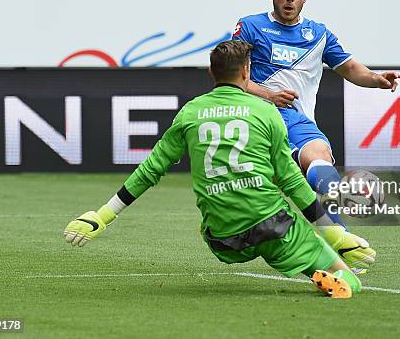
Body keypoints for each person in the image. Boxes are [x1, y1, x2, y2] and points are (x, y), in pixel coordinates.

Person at [64, 40, 370, 299]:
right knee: (342, 273)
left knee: (221, 212)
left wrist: (100, 216)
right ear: (247, 72)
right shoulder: (266, 111)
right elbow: (291, 181)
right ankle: (327, 269)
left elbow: (149, 171)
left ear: (211, 72)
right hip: (272, 227)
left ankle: (306, 260)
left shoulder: (190, 113)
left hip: (221, 237)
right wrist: (335, 233)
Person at [231, 0, 400, 251]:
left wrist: (376, 78)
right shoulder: (250, 26)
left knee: (319, 157)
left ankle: (340, 241)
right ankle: (338, 240)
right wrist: (268, 95)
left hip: (296, 120)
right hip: (258, 119)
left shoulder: (318, 34)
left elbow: (349, 68)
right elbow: (232, 77)